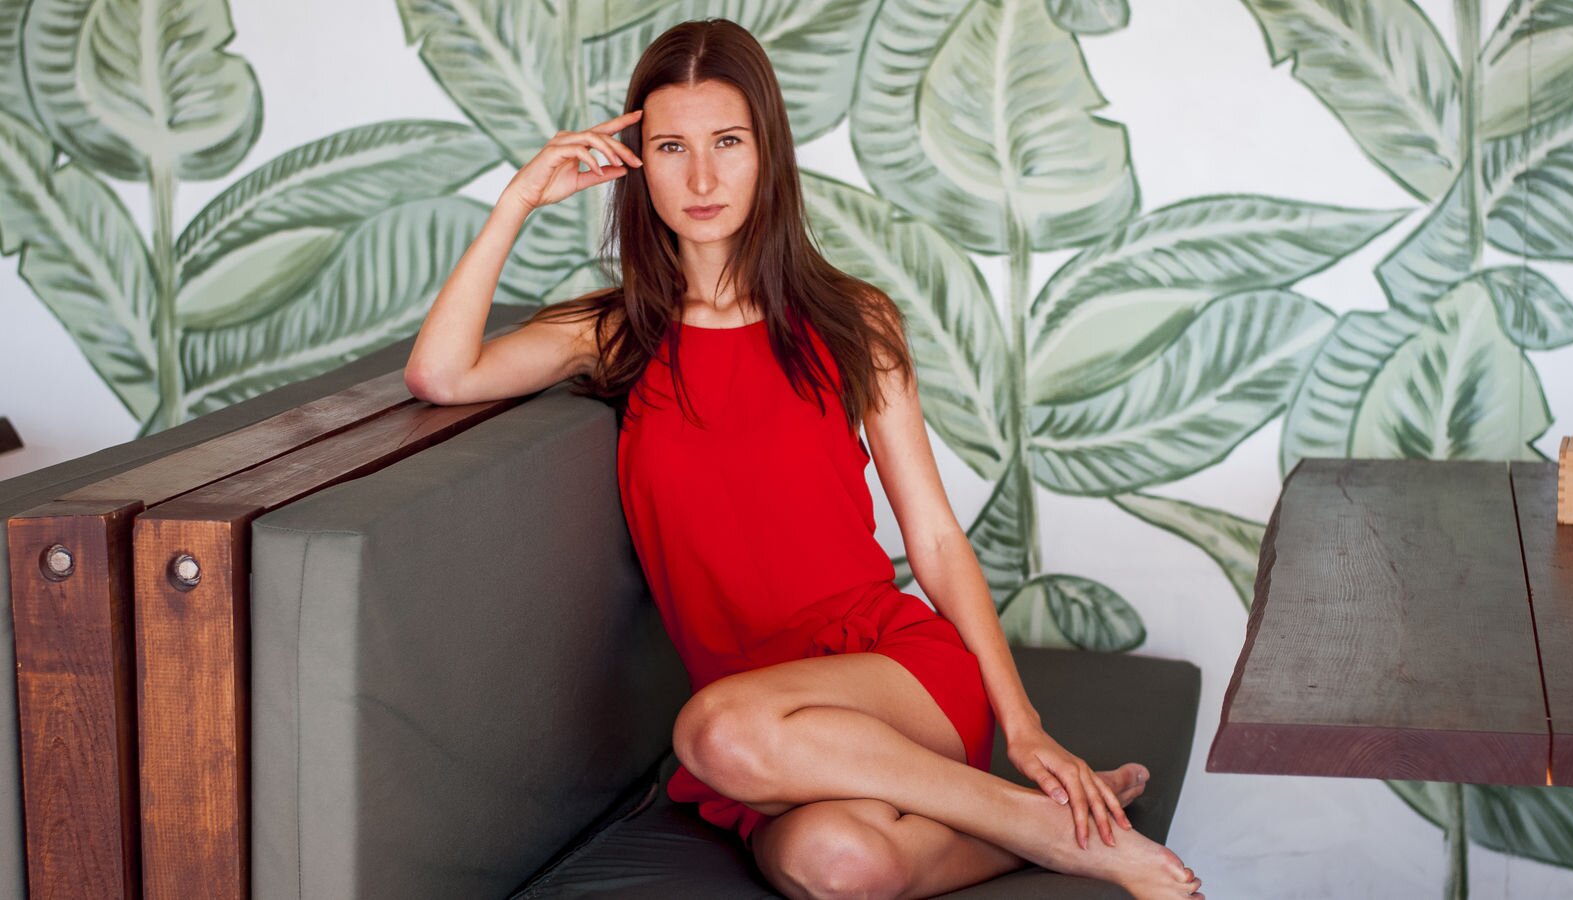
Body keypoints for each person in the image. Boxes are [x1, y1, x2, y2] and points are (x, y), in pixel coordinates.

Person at [404, 17, 1202, 900]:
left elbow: (936, 539)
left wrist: (1025, 726)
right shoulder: (615, 330)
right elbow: (440, 374)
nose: (701, 178)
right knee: (835, 864)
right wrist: (518, 200)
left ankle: (1047, 824)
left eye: (728, 142)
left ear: (767, 153)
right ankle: (1046, 831)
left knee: (711, 732)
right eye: (670, 147)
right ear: (636, 164)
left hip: (892, 678)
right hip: (763, 729)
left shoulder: (853, 320)